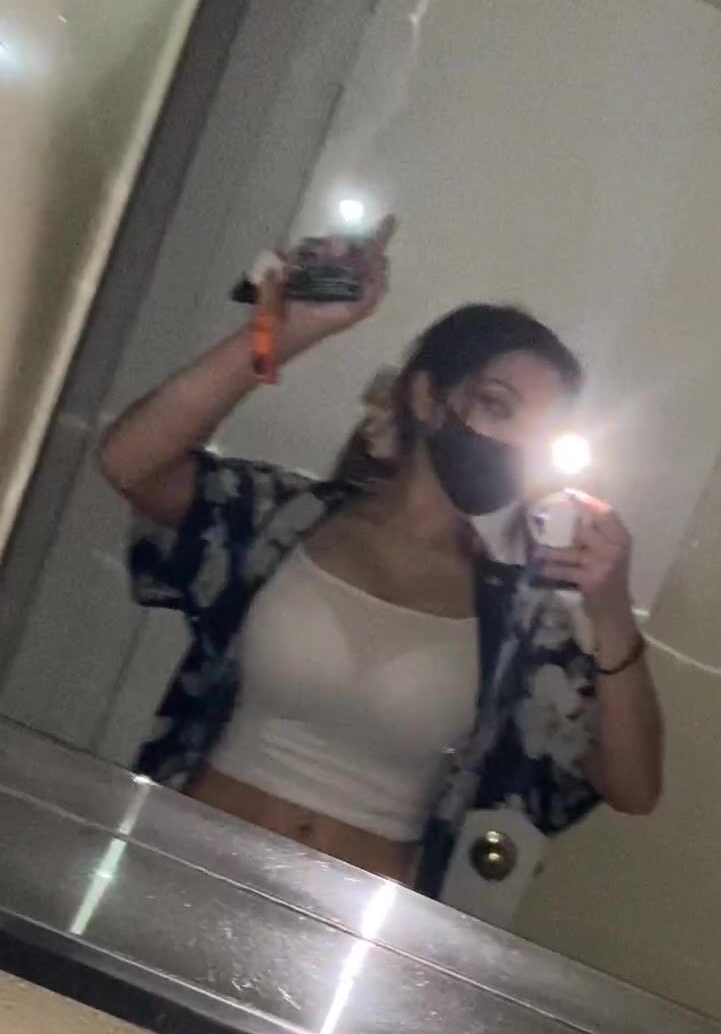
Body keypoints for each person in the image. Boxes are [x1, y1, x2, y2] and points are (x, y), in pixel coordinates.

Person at [97, 221, 663, 897]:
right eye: (496, 406)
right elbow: (130, 460)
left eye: (536, 431)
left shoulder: (515, 615)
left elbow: (633, 787)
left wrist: (611, 612)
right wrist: (288, 330)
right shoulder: (283, 520)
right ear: (427, 398)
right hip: (179, 867)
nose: (512, 444)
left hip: (349, 928)